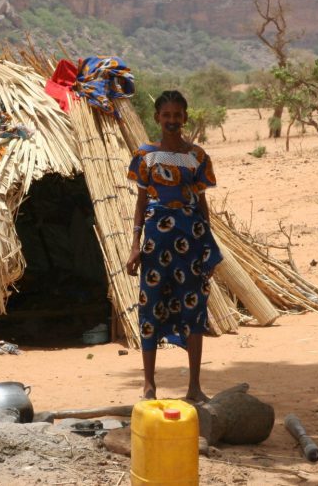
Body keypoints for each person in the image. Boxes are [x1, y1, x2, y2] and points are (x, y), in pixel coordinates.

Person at [126, 90, 223, 402]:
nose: (172, 121)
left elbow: (202, 204)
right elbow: (141, 202)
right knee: (150, 307)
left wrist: (207, 244)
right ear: (157, 118)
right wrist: (135, 244)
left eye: (177, 115)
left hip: (191, 241)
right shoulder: (145, 155)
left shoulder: (197, 156)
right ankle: (149, 385)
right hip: (155, 242)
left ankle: (194, 386)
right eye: (166, 115)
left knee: (194, 309)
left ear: (185, 118)